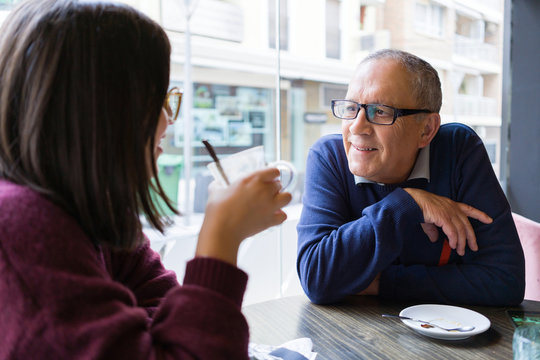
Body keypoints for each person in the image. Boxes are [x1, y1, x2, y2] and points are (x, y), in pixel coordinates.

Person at [0, 0, 291, 359]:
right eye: (157, 99)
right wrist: (221, 237)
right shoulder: (21, 226)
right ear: (99, 110)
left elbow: (162, 313)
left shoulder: (94, 210)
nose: (169, 119)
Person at [296, 48, 525, 306]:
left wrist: (381, 282)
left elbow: (505, 280)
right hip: (352, 340)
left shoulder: (458, 151)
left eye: (380, 111)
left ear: (426, 129)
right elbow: (316, 277)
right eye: (351, 108)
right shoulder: (330, 157)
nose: (357, 127)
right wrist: (407, 203)